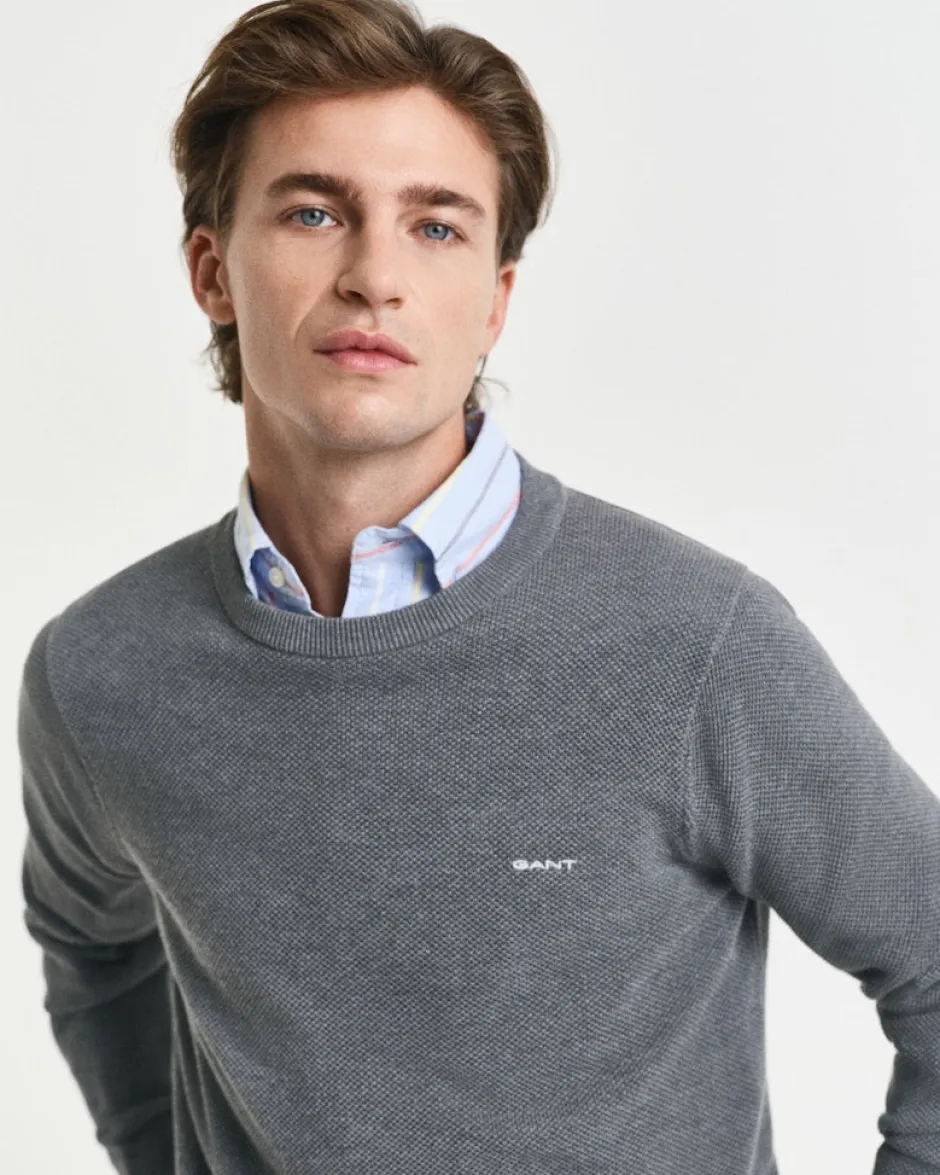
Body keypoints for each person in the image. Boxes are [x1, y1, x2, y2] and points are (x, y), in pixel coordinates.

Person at [17, 1, 939, 1172]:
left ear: (495, 300)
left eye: (436, 227)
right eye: (313, 211)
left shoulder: (693, 644)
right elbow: (91, 946)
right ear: (212, 271)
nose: (374, 276)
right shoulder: (101, 672)